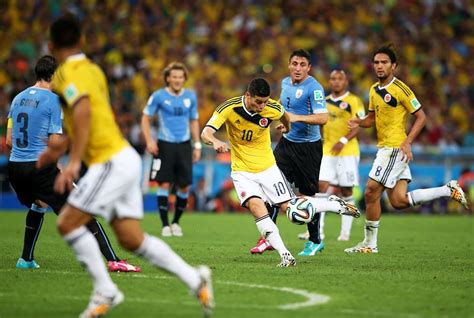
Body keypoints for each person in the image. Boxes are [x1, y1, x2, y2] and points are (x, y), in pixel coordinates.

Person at [39, 15, 214, 317]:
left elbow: (82, 113)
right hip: (124, 158)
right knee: (132, 238)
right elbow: (89, 117)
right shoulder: (93, 70)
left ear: (51, 45)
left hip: (109, 161)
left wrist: (72, 162)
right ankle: (194, 277)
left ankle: (105, 289)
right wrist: (62, 146)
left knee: (67, 223)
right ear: (82, 41)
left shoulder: (65, 73)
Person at [201, 77, 359, 267]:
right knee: (257, 208)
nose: (262, 106)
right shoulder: (229, 107)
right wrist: (216, 141)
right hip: (242, 171)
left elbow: (285, 117)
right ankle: (285, 255)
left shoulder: (273, 108)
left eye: (265, 102)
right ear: (247, 96)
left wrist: (287, 127)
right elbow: (206, 132)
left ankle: (333, 205)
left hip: (268, 168)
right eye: (258, 102)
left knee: (292, 212)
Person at [6, 55, 140, 273]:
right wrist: (56, 168)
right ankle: (114, 260)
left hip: (15, 167)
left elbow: (10, 140)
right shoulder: (53, 100)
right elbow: (55, 141)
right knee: (82, 209)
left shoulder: (17, 99)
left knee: (39, 203)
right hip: (39, 168)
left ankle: (26, 259)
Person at [345, 45, 469, 254]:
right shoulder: (374, 90)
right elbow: (372, 119)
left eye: (384, 62)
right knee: (398, 201)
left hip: (394, 148)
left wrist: (407, 141)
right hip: (385, 148)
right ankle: (448, 190)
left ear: (393, 66)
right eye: (376, 62)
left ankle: (369, 244)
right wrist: (359, 122)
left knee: (370, 191)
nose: (379, 66)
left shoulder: (401, 89)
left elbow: (421, 117)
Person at [250, 50, 356, 257]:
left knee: (307, 197)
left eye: (302, 65)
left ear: (308, 68)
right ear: (289, 65)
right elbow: (283, 109)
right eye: (295, 64)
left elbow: (323, 118)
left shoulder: (314, 88)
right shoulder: (285, 83)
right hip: (286, 144)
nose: (298, 68)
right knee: (272, 188)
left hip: (308, 147)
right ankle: (267, 239)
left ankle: (315, 241)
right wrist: (285, 124)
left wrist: (295, 118)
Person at [299, 69, 366, 242]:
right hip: (327, 150)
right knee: (320, 186)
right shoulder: (325, 102)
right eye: (333, 79)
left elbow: (359, 125)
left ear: (346, 82)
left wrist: (343, 140)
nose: (336, 82)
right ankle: (317, 232)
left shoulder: (354, 101)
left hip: (348, 151)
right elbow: (319, 123)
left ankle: (345, 234)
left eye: (339, 79)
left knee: (346, 190)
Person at [141, 62, 201, 237]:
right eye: (174, 76)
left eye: (180, 77)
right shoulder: (158, 96)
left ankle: (176, 222)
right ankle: (165, 224)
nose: (177, 80)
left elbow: (194, 121)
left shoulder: (190, 97)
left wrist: (197, 145)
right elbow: (145, 118)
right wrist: (149, 141)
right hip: (164, 144)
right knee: (164, 183)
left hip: (184, 144)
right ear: (168, 78)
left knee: (184, 186)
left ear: (184, 79)